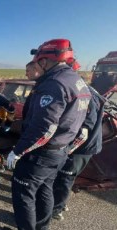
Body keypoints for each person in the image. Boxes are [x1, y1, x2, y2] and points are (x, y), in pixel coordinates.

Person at [6, 39, 91, 230]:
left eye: (37, 62)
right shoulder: (77, 81)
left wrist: (17, 151)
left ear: (44, 61)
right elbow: (82, 122)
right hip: (60, 150)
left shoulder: (54, 84)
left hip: (42, 152)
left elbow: (44, 128)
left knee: (23, 192)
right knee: (45, 189)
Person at [52, 61, 104, 221]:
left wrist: (68, 150)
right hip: (87, 145)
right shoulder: (89, 91)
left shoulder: (85, 95)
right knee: (67, 177)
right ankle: (60, 202)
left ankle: (56, 209)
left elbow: (84, 130)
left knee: (65, 177)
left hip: (82, 147)